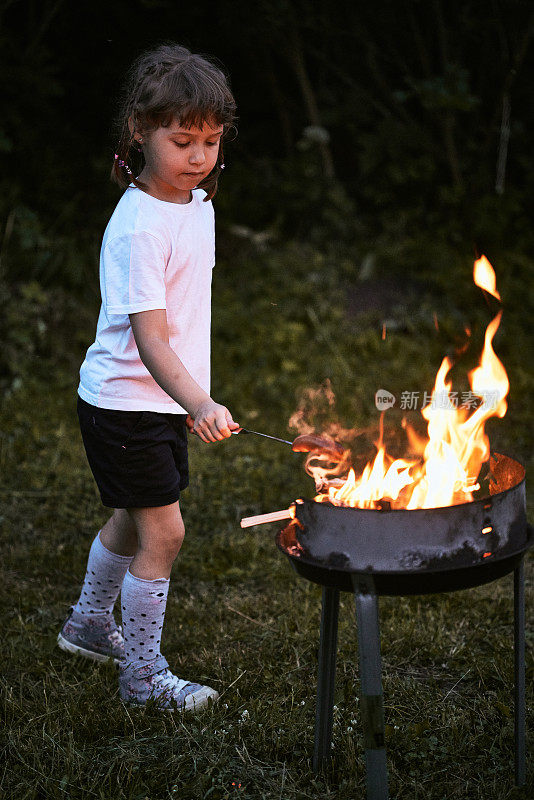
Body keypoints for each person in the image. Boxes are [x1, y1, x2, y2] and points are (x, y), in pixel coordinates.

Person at [57, 43, 240, 712]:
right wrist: (198, 397)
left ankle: (86, 623)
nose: (197, 156)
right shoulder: (139, 226)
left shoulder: (198, 207)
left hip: (156, 403)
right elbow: (150, 335)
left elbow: (187, 317)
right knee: (165, 533)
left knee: (133, 524)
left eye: (211, 141)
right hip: (126, 402)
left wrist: (185, 398)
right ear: (141, 130)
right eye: (182, 139)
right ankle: (141, 679)